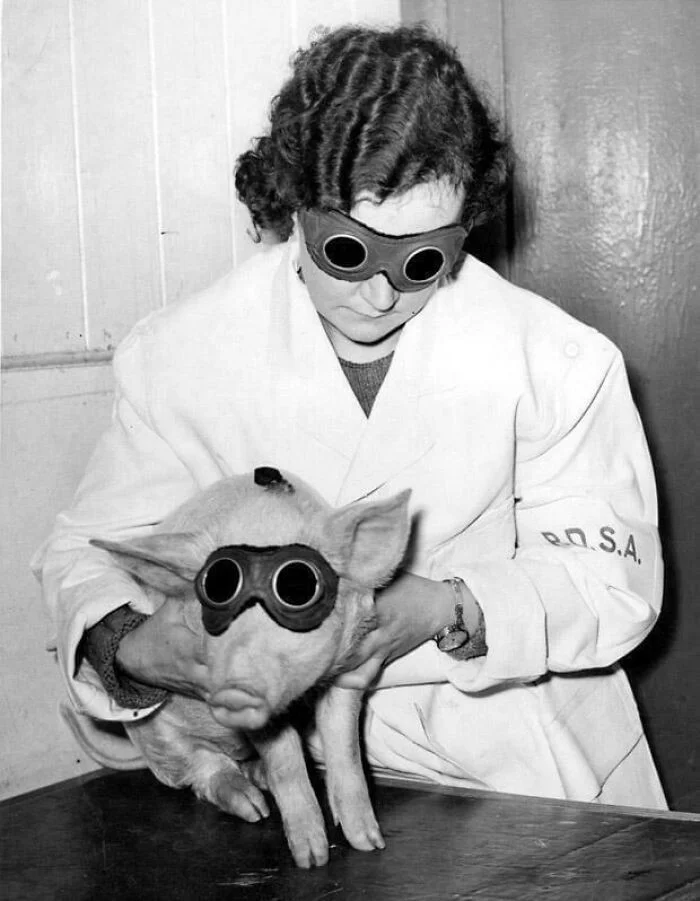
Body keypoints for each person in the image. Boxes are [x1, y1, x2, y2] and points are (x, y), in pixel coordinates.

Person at [33, 22, 667, 808]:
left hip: (515, 752)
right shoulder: (180, 356)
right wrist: (134, 645)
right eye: (347, 251)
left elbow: (612, 584)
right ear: (294, 202)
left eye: (421, 260)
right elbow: (83, 552)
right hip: (280, 757)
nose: (379, 293)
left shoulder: (555, 360)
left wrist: (450, 606)